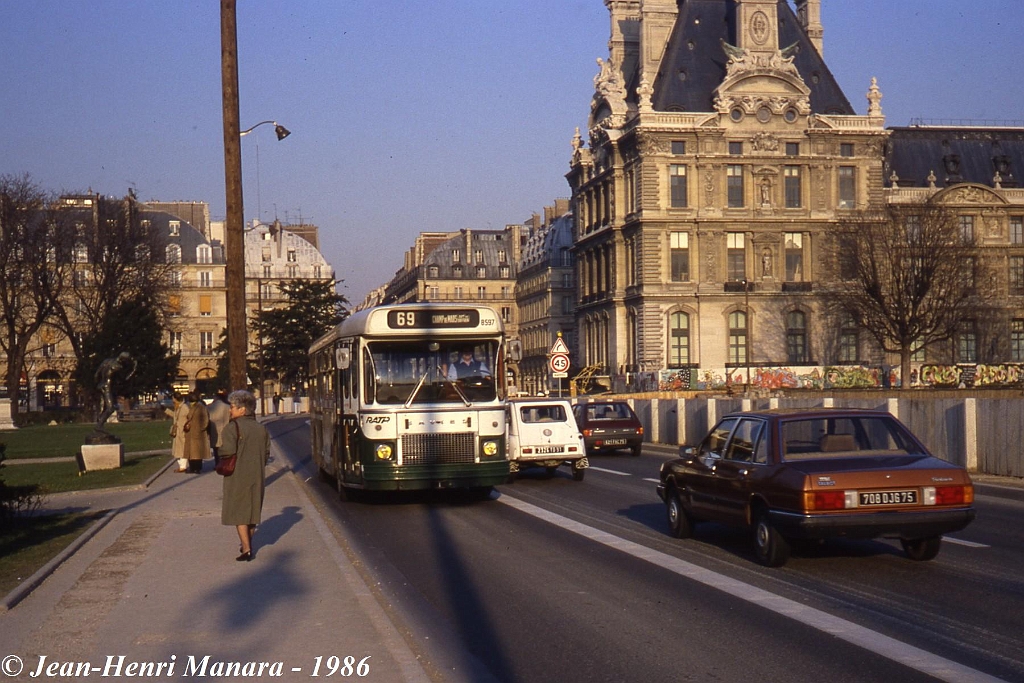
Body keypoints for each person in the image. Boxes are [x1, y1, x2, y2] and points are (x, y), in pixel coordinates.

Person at [220, 389, 271, 562]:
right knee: (252, 511)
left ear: (242, 409)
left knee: (239, 512)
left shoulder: (231, 428)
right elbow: (266, 453)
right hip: (257, 474)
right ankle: (248, 543)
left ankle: (247, 549)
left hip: (238, 475)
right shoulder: (261, 429)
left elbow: (227, 451)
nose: (230, 410)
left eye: (233, 407)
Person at [94, 351, 136, 430]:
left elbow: (96, 374)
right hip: (108, 387)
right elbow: (123, 379)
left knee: (106, 408)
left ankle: (99, 423)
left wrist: (97, 384)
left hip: (100, 385)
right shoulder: (118, 367)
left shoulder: (107, 361)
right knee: (110, 408)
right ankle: (99, 426)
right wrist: (133, 371)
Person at [182, 390, 210, 473]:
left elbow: (206, 419)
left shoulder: (201, 407)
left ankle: (197, 468)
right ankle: (192, 467)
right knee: (190, 452)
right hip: (189, 432)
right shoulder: (187, 406)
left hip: (198, 432)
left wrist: (202, 428)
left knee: (197, 452)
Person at [206, 390, 231, 466]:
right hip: (226, 429)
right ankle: (225, 463)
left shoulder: (210, 407)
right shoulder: (227, 407)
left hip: (214, 430)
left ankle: (217, 464)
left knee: (216, 449)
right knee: (225, 448)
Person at [167, 392, 189, 473]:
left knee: (182, 449)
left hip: (182, 431)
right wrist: (167, 411)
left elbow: (188, 417)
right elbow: (175, 416)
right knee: (178, 449)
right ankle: (182, 466)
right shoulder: (179, 407)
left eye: (173, 398)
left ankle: (183, 466)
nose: (172, 400)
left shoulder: (184, 407)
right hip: (178, 430)